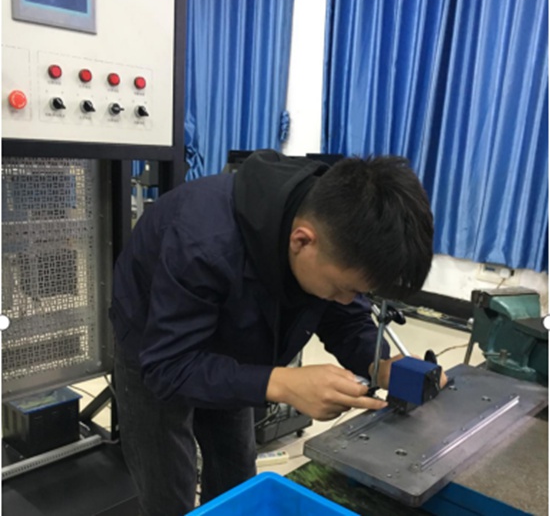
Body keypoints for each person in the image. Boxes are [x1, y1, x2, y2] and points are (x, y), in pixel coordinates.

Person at [110, 149, 435, 516]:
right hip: (156, 347)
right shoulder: (202, 243)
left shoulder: (334, 229)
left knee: (237, 476)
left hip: (235, 347)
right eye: (343, 288)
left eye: (360, 292)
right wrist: (282, 383)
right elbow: (168, 369)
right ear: (302, 241)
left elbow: (344, 317)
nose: (349, 300)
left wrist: (379, 365)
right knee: (169, 492)